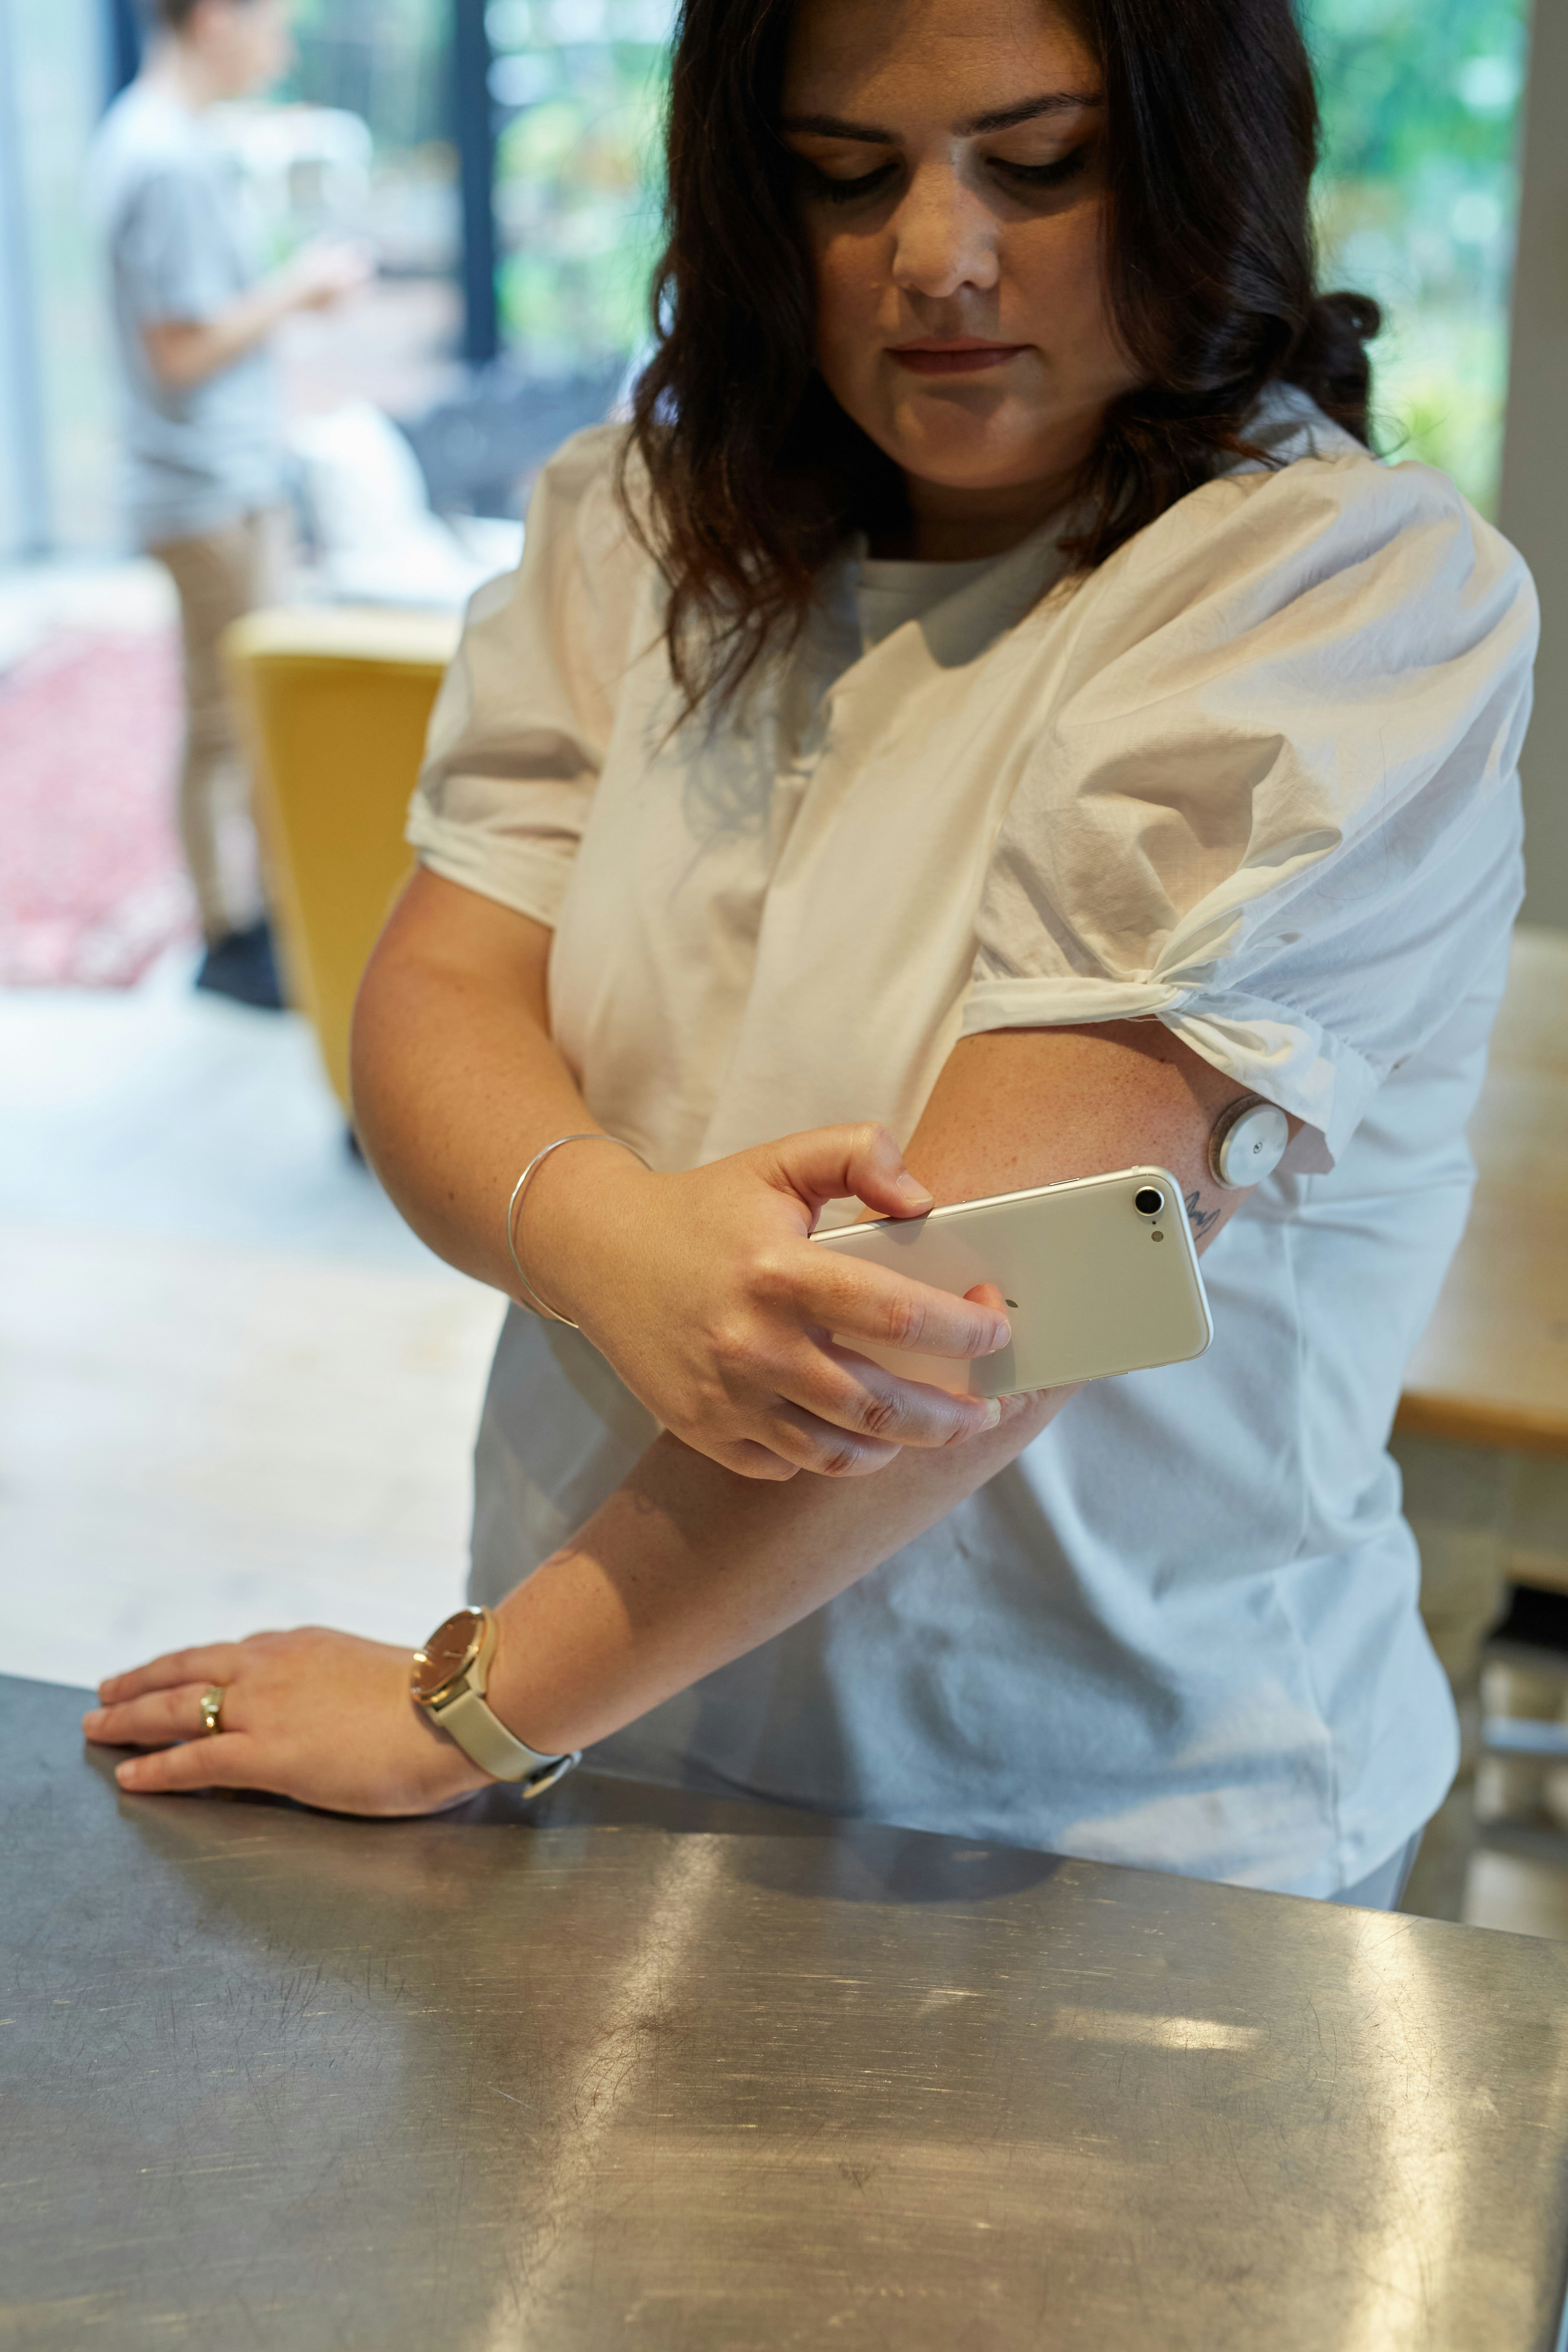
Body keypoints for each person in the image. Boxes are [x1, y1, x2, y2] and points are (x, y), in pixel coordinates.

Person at [86, 0, 1535, 1911]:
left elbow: (993, 1304)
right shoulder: (635, 527)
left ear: (1204, 168)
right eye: (843, 176)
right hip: (623, 1735)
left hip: (1109, 1827)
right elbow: (442, 994)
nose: (935, 256)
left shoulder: (1337, 594)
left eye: (1038, 162)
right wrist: (606, 1232)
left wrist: (471, 1713)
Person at [89, 0, 368, 1007]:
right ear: (214, 19)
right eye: (272, 25)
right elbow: (180, 352)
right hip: (201, 486)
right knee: (230, 715)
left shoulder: (162, 140)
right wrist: (299, 290)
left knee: (225, 707)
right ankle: (230, 933)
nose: (280, 47)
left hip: (215, 479)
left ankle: (241, 918)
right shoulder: (166, 158)